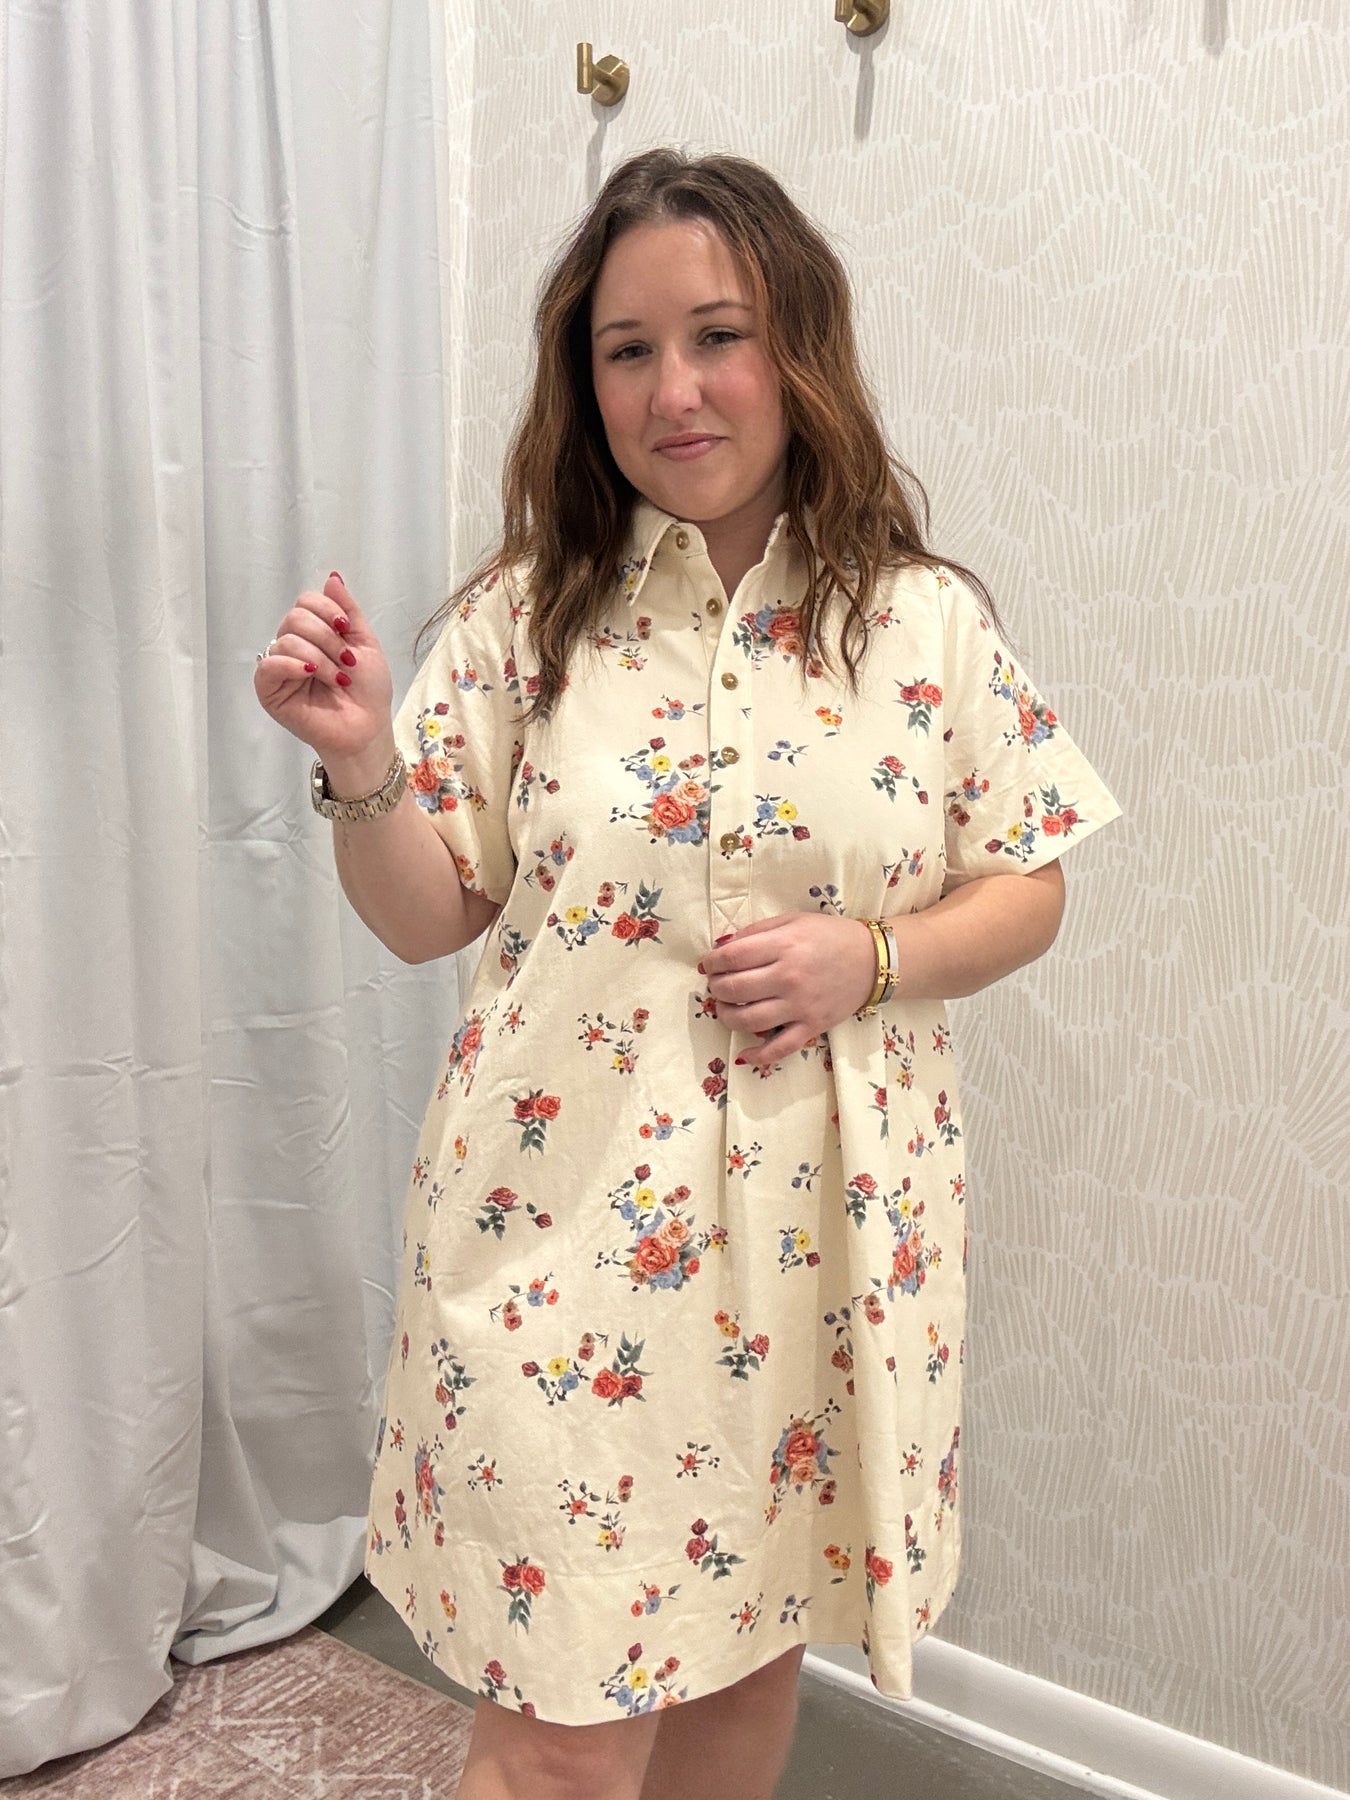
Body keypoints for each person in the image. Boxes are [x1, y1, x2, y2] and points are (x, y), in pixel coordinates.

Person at [254, 148, 1121, 1800]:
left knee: (742, 1663)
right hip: (560, 1237)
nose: (674, 390)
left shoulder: (920, 624)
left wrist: (872, 955)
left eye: (717, 336)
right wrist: (361, 758)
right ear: (581, 383)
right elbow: (427, 917)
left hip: (816, 1247)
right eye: (626, 349)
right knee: (557, 1738)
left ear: (796, 348)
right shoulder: (524, 622)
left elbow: (1030, 884)